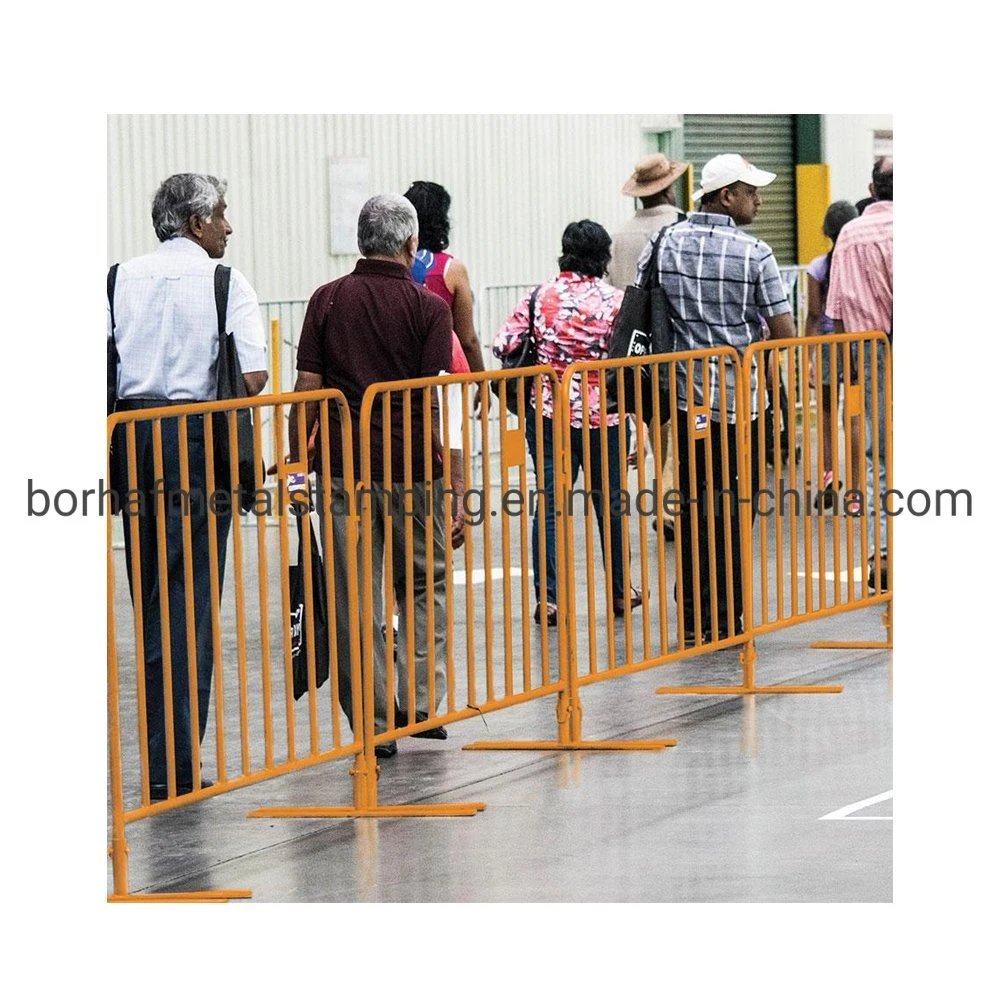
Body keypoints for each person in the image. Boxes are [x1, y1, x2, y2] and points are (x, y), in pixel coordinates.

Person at [108, 173, 268, 800]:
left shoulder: (119, 278)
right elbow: (252, 375)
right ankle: (179, 762)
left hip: (136, 441)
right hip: (199, 446)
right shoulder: (227, 283)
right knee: (194, 602)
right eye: (223, 214)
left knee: (150, 600)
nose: (229, 226)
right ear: (197, 223)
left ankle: (161, 762)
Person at [290, 194, 454, 758]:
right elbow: (431, 398)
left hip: (342, 472)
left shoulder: (326, 299)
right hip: (412, 471)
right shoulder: (429, 307)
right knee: (425, 583)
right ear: (410, 245)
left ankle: (372, 716)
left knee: (353, 596)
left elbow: (305, 395)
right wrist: (449, 479)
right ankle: (416, 701)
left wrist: (295, 465)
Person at [636, 153, 796, 643]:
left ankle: (695, 615)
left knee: (693, 500)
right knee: (734, 504)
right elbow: (784, 331)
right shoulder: (756, 253)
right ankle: (729, 615)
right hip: (740, 402)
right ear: (727, 196)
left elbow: (641, 300)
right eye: (751, 191)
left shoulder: (662, 243)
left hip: (687, 402)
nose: (759, 200)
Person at [493, 220, 641, 626]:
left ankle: (549, 599)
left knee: (551, 505)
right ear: (603, 256)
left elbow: (504, 343)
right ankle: (620, 590)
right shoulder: (616, 301)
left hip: (548, 413)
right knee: (610, 504)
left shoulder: (539, 296)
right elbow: (628, 359)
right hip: (605, 416)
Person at [608, 154, 690, 534]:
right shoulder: (680, 226)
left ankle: (664, 502)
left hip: (635, 345)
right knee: (679, 427)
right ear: (669, 187)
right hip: (675, 339)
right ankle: (672, 507)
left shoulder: (619, 234)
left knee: (656, 425)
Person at [826, 157, 893, 591]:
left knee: (879, 459)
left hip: (871, 353)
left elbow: (834, 310)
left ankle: (883, 555)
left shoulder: (849, 234)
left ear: (871, 186)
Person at [805, 200, 861, 510]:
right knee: (852, 417)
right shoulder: (857, 264)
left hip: (826, 345)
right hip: (853, 344)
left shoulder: (818, 267)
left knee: (825, 415)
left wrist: (809, 356)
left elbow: (814, 315)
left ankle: (828, 477)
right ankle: (854, 493)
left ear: (826, 231)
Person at [404, 181, 485, 377]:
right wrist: (481, 381)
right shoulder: (453, 270)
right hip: (442, 375)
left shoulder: (396, 265)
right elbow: (467, 340)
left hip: (399, 374)